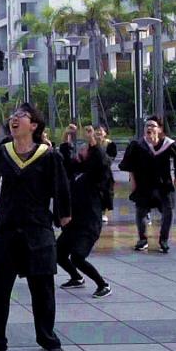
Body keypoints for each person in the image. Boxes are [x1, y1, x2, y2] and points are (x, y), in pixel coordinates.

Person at [0, 103, 71, 351]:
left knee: (43, 290)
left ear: (33, 125)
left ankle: (47, 338)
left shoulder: (49, 155)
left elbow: (61, 187)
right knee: (1, 290)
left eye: (21, 116)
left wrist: (64, 214)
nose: (14, 118)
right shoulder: (3, 152)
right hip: (8, 229)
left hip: (38, 229)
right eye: (13, 115)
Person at [119, 116, 176, 253]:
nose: (149, 128)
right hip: (143, 184)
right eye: (147, 125)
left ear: (160, 129)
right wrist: (133, 181)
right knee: (141, 213)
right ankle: (142, 239)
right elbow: (129, 164)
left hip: (163, 184)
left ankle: (164, 240)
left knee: (168, 212)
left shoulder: (168, 144)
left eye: (153, 125)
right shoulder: (137, 145)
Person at [57, 125, 112, 298]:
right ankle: (76, 277)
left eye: (85, 148)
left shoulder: (95, 173)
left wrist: (92, 140)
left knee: (78, 257)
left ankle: (103, 285)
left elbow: (100, 159)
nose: (81, 150)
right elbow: (65, 158)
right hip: (74, 222)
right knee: (58, 253)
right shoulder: (75, 169)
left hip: (89, 223)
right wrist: (66, 136)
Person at [94, 125, 117, 223]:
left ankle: (103, 213)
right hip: (93, 173)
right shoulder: (91, 144)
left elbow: (110, 160)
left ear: (105, 133)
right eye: (96, 130)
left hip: (105, 174)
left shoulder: (110, 144)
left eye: (101, 131)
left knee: (105, 193)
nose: (98, 132)